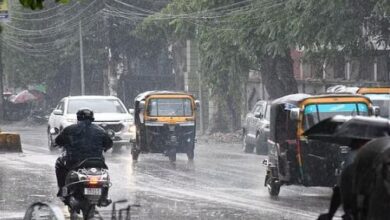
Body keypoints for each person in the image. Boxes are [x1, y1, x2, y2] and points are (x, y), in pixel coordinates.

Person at [54, 108, 113, 198]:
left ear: (78, 118)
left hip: (74, 161)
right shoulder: (100, 130)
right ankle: (104, 196)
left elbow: (58, 141)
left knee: (59, 163)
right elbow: (109, 144)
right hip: (97, 162)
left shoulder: (69, 129)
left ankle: (63, 190)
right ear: (92, 118)